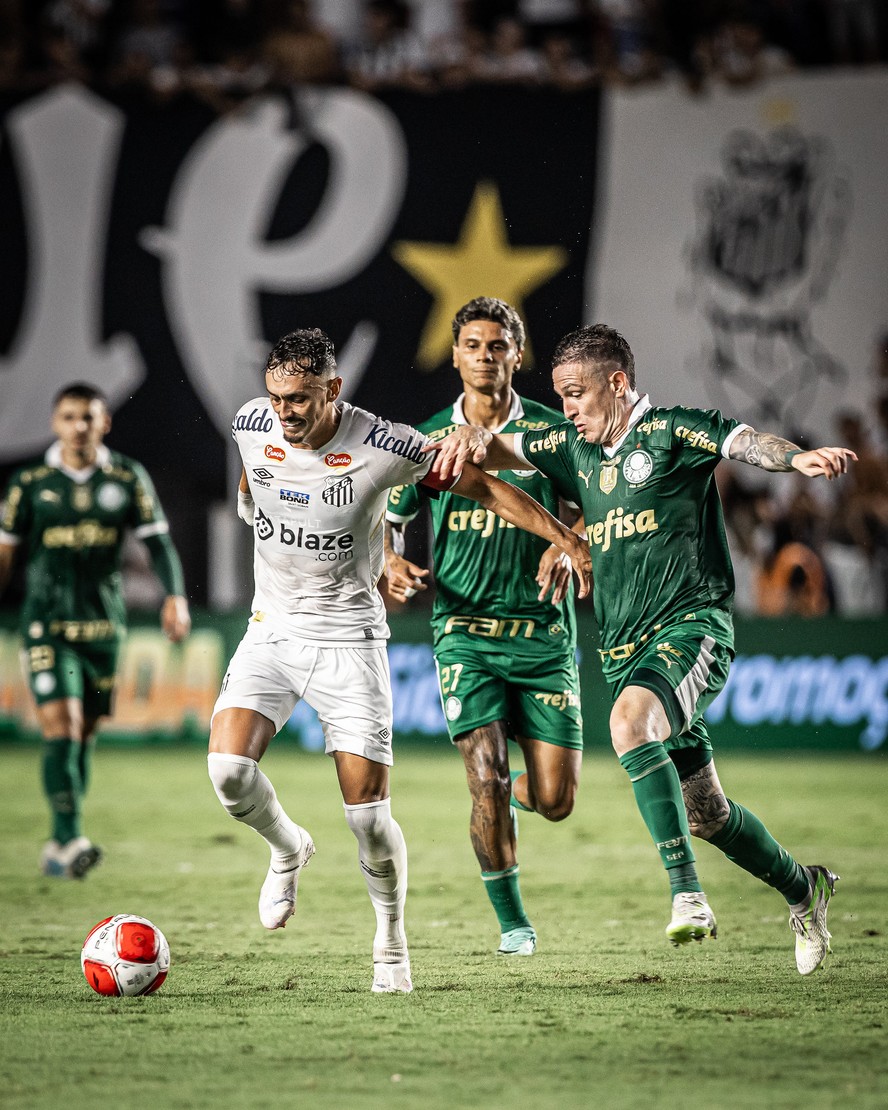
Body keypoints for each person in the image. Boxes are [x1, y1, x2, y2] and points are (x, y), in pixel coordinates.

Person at [432, 323, 857, 975]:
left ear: (618, 384)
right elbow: (497, 446)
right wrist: (469, 437)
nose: (567, 409)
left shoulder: (672, 432)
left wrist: (796, 457)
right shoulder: (572, 449)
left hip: (694, 632)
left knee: (628, 724)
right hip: (626, 653)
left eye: (576, 394)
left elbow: (746, 443)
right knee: (708, 814)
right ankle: (806, 890)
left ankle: (688, 897)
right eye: (560, 396)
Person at [207, 328, 591, 994]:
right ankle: (287, 847)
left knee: (366, 819)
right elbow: (253, 479)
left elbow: (487, 489)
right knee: (228, 773)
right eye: (277, 399)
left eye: (300, 399)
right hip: (270, 633)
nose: (286, 413)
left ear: (334, 389)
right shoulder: (251, 422)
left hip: (351, 645)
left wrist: (563, 535)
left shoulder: (386, 444)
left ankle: (390, 942)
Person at [384, 297, 584, 957]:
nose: (485, 356)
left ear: (517, 356)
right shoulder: (427, 438)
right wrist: (389, 557)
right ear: (455, 355)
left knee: (556, 800)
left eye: (497, 346)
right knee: (486, 775)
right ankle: (513, 923)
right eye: (473, 345)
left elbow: (597, 507)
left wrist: (569, 538)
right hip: (463, 629)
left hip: (544, 635)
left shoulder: (555, 434)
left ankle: (512, 802)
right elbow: (389, 514)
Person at [0, 383, 191, 878]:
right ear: (55, 423)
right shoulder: (30, 481)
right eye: (69, 417)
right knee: (61, 728)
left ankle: (59, 847)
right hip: (46, 625)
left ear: (104, 423)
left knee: (83, 734)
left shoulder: (126, 476)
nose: (79, 426)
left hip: (105, 625)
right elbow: (5, 552)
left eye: (88, 417)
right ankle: (68, 838)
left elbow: (158, 542)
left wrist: (175, 597)